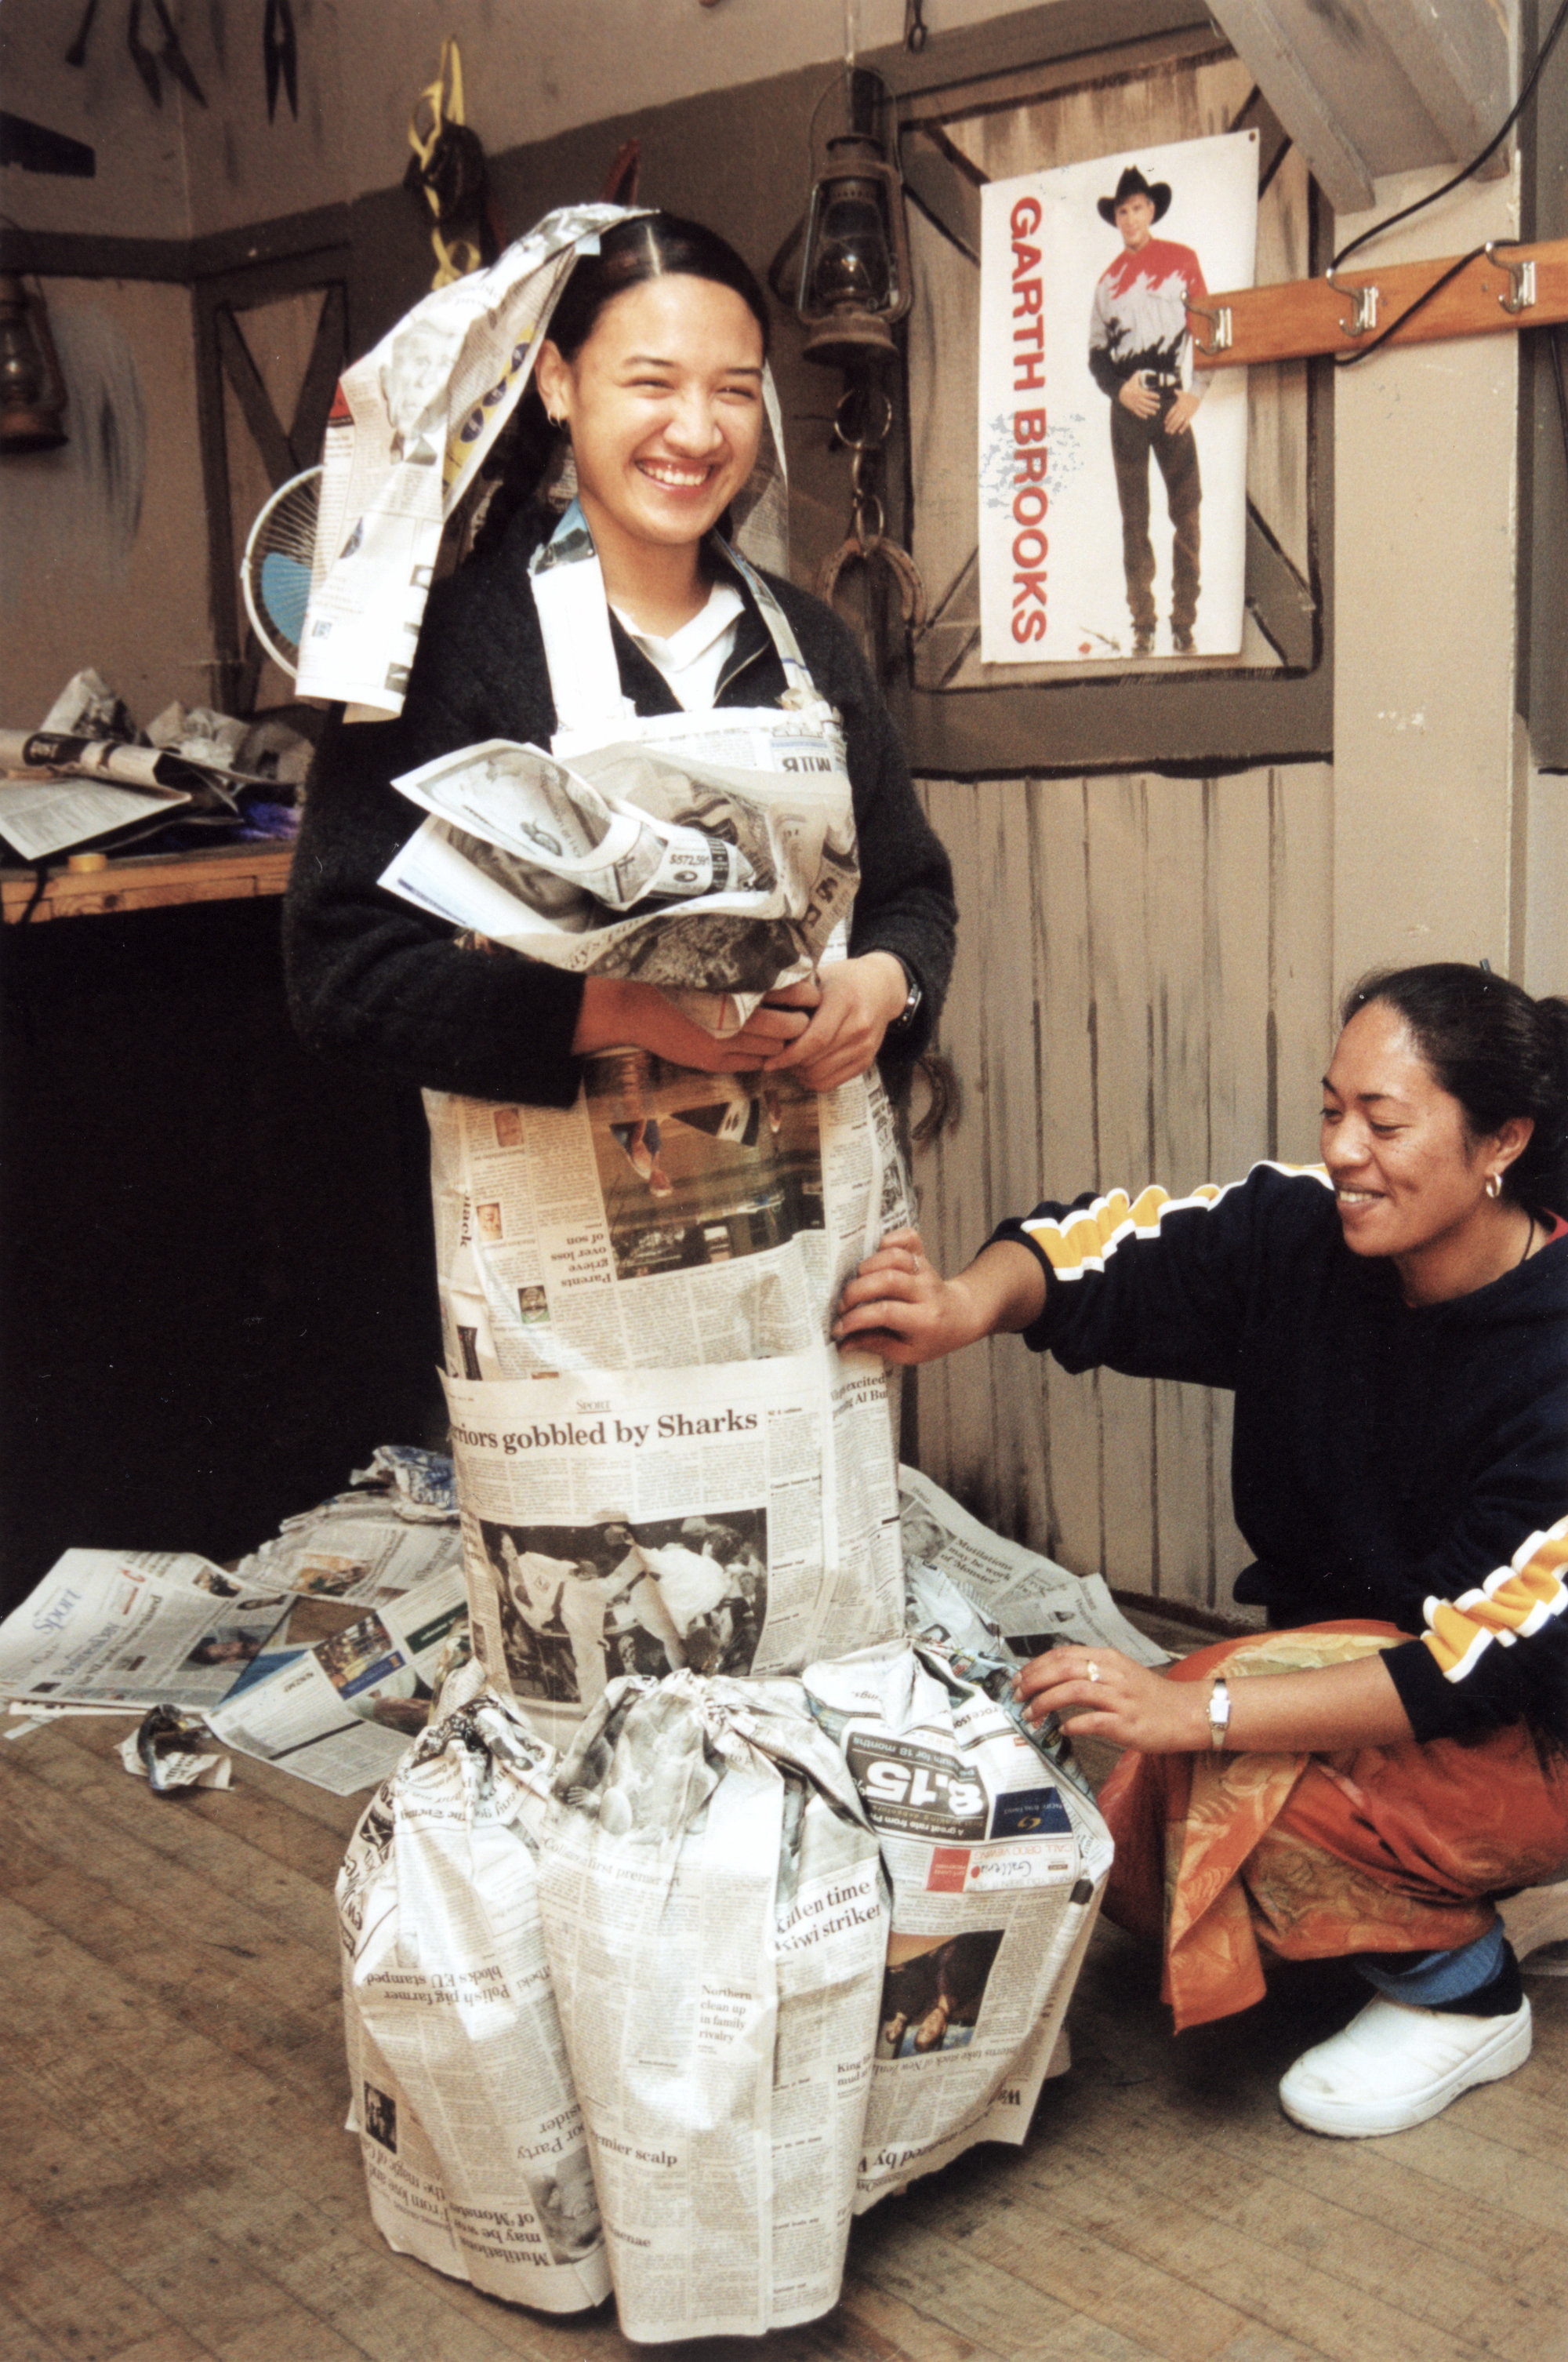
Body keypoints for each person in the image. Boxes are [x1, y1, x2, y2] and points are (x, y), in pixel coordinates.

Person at [835, 963, 1568, 2138]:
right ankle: (1370, 1898)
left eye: (1383, 1122)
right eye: (1333, 1110)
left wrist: (1201, 1717)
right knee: (1126, 1815)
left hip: (1526, 1729)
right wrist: (963, 1306)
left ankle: (1467, 1992)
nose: (1343, 1151)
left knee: (1224, 1787)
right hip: (1351, 1672)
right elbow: (1101, 1252)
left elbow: (1465, 1669)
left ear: (1503, 1143)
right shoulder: (1308, 1234)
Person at [284, 209, 955, 1111]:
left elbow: (912, 892)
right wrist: (614, 1013)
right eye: (652, 383)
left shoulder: (810, 644)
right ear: (556, 383)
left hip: (822, 1235)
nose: (695, 431)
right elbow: (340, 976)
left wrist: (883, 985)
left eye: (733, 391)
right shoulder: (452, 649)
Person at [1087, 165, 1207, 658]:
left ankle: (1184, 621)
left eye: (1137, 207)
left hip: (1173, 401)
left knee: (1188, 511)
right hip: (1130, 408)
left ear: (1151, 210)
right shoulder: (1107, 283)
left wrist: (1196, 391)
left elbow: (1210, 328)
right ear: (1115, 218)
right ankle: (1143, 623)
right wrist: (1119, 391)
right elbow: (1096, 357)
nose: (1130, 218)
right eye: (1122, 211)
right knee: (1133, 519)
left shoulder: (1182, 261)